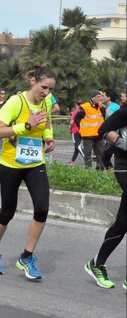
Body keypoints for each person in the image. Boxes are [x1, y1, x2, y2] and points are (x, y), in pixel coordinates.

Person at [0, 66, 56, 281]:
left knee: (42, 209)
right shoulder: (16, 102)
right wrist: (25, 125)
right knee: (8, 211)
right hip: (11, 163)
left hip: (35, 162)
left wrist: (48, 137)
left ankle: (27, 256)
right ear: (32, 81)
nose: (46, 92)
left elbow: (46, 125)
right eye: (43, 87)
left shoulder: (46, 102)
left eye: (50, 89)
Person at [84, 106, 127, 290]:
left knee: (123, 223)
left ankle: (97, 263)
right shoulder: (125, 112)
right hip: (125, 167)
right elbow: (103, 130)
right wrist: (122, 142)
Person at [74, 90, 105, 169]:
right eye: (98, 97)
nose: (100, 99)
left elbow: (104, 118)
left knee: (100, 153)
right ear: (92, 98)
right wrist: (81, 128)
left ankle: (100, 169)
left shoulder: (101, 107)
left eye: (101, 97)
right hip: (88, 135)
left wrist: (102, 108)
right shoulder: (85, 107)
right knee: (87, 154)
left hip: (99, 134)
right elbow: (76, 118)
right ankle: (88, 170)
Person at [100, 88, 120, 171]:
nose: (101, 97)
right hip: (120, 137)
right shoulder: (116, 106)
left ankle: (111, 174)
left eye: (103, 96)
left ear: (108, 98)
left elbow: (114, 122)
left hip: (114, 137)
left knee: (105, 158)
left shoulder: (109, 109)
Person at [68, 99, 84, 165]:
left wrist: (70, 129)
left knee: (78, 146)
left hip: (75, 130)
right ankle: (72, 161)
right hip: (82, 130)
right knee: (76, 147)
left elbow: (72, 122)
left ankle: (86, 158)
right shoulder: (83, 111)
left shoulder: (75, 111)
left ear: (76, 105)